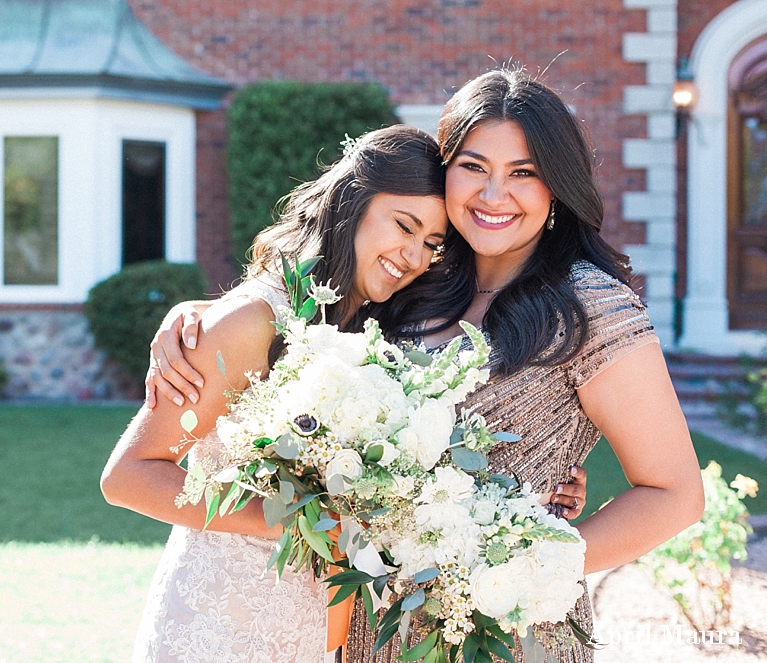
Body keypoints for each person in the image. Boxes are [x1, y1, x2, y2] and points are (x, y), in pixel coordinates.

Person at [143, 67, 702, 663]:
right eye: (473, 167)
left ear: (557, 185)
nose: (493, 195)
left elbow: (675, 493)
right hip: (364, 628)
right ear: (445, 170)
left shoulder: (591, 307)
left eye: (524, 173)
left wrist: (527, 564)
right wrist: (202, 313)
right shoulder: (418, 279)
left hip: (500, 633)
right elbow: (305, 329)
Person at [101, 125, 453, 663]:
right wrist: (291, 519)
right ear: (356, 202)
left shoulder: (372, 337)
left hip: (312, 634)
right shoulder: (252, 320)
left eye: (431, 244)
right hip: (218, 629)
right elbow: (128, 476)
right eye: (404, 226)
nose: (412, 254)